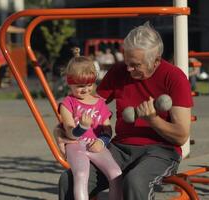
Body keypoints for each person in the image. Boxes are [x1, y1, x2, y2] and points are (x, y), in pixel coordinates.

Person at [56, 22, 193, 200]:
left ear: (156, 61)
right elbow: (88, 105)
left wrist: (153, 119)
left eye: (135, 65)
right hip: (120, 148)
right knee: (68, 180)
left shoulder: (174, 78)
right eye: (127, 62)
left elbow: (181, 136)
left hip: (161, 151)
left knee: (134, 181)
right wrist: (60, 130)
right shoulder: (120, 70)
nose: (128, 69)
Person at [59, 53, 122, 200]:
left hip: (95, 144)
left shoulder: (99, 103)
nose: (85, 89)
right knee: (81, 174)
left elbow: (107, 128)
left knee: (115, 173)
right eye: (80, 86)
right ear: (70, 83)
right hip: (76, 145)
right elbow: (69, 132)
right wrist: (82, 126)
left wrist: (102, 141)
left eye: (89, 85)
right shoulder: (68, 103)